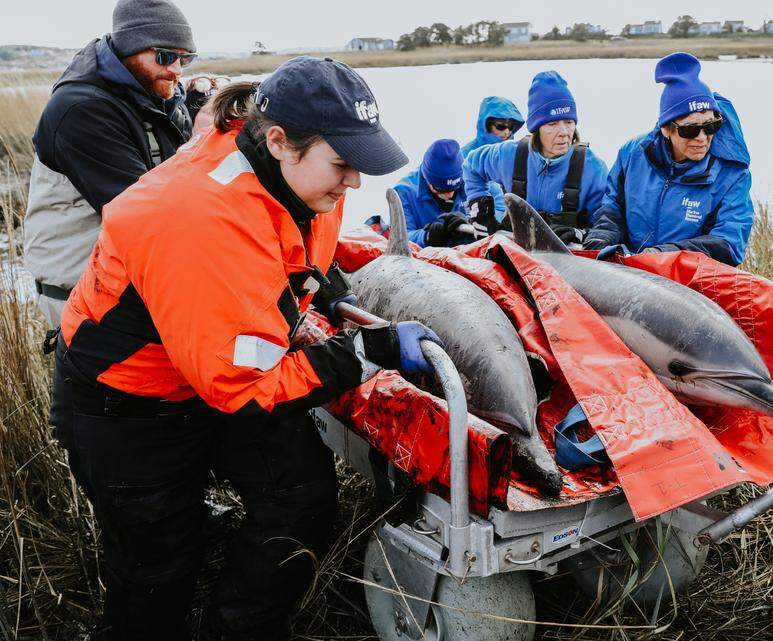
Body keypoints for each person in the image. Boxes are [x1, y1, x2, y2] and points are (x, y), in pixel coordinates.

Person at [50, 56, 441, 640]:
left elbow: (294, 256)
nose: (355, 183)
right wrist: (363, 354)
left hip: (215, 369)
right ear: (280, 142)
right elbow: (243, 388)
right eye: (342, 164)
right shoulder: (201, 217)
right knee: (155, 569)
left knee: (300, 498)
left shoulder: (300, 183)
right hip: (125, 402)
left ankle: (237, 629)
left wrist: (325, 290)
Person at [23, 0, 196, 327]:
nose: (177, 69)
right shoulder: (81, 110)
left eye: (185, 58)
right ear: (130, 50)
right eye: (165, 56)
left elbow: (177, 174)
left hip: (128, 289)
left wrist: (193, 111)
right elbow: (145, 213)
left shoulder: (155, 96)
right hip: (81, 296)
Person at [583, 52, 754, 266]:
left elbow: (728, 243)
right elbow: (613, 205)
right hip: (629, 273)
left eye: (711, 126)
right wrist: (604, 234)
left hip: (689, 282)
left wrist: (664, 255)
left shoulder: (733, 174)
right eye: (690, 130)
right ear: (666, 129)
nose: (702, 138)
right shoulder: (632, 154)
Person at [463, 71, 608, 245]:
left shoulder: (592, 168)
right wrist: (481, 213)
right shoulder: (509, 155)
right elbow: (471, 165)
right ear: (536, 128)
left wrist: (581, 234)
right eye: (552, 124)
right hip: (514, 255)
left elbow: (604, 224)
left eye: (569, 122)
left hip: (567, 263)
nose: (563, 133)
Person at [395, 138, 472, 247]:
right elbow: (400, 238)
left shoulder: (474, 179)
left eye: (455, 188)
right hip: (426, 260)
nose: (449, 195)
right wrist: (426, 236)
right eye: (441, 189)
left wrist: (471, 224)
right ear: (426, 179)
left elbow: (498, 210)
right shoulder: (403, 193)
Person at [459, 95, 524, 156]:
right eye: (501, 126)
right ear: (487, 125)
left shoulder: (517, 154)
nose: (507, 132)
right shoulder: (465, 156)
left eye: (511, 126)